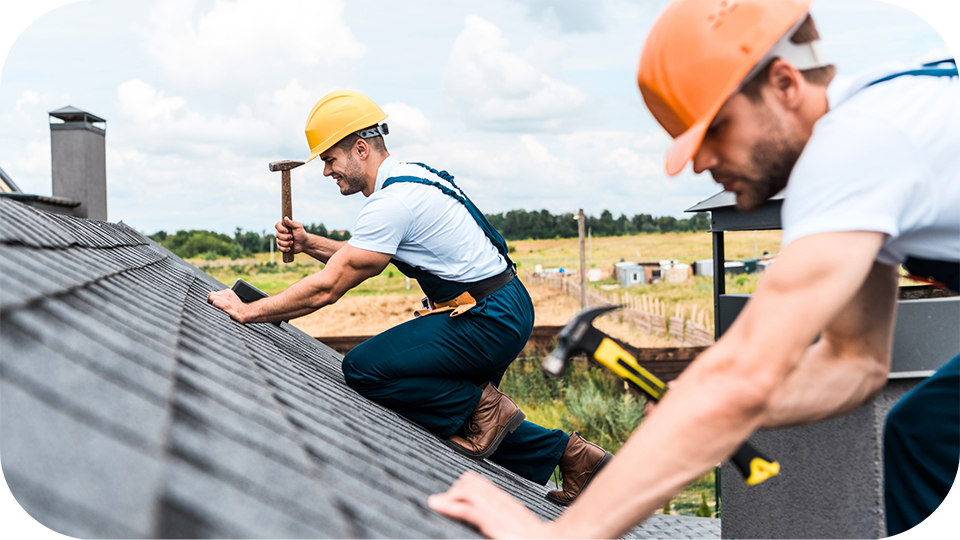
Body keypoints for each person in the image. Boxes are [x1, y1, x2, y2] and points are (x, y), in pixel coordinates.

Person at [428, 0, 960, 538]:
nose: (701, 162)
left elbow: (743, 373)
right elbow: (854, 365)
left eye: (717, 128)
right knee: (921, 435)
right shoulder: (872, 143)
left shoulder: (856, 148)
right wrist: (704, 412)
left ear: (783, 83)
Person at [206, 89, 612, 504]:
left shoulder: (393, 202)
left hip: (487, 319)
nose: (327, 171)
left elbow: (330, 286)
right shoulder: (414, 176)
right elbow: (359, 255)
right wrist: (308, 242)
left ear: (360, 148)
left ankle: (486, 409)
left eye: (329, 159)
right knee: (468, 423)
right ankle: (578, 459)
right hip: (504, 306)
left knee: (366, 369)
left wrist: (248, 310)